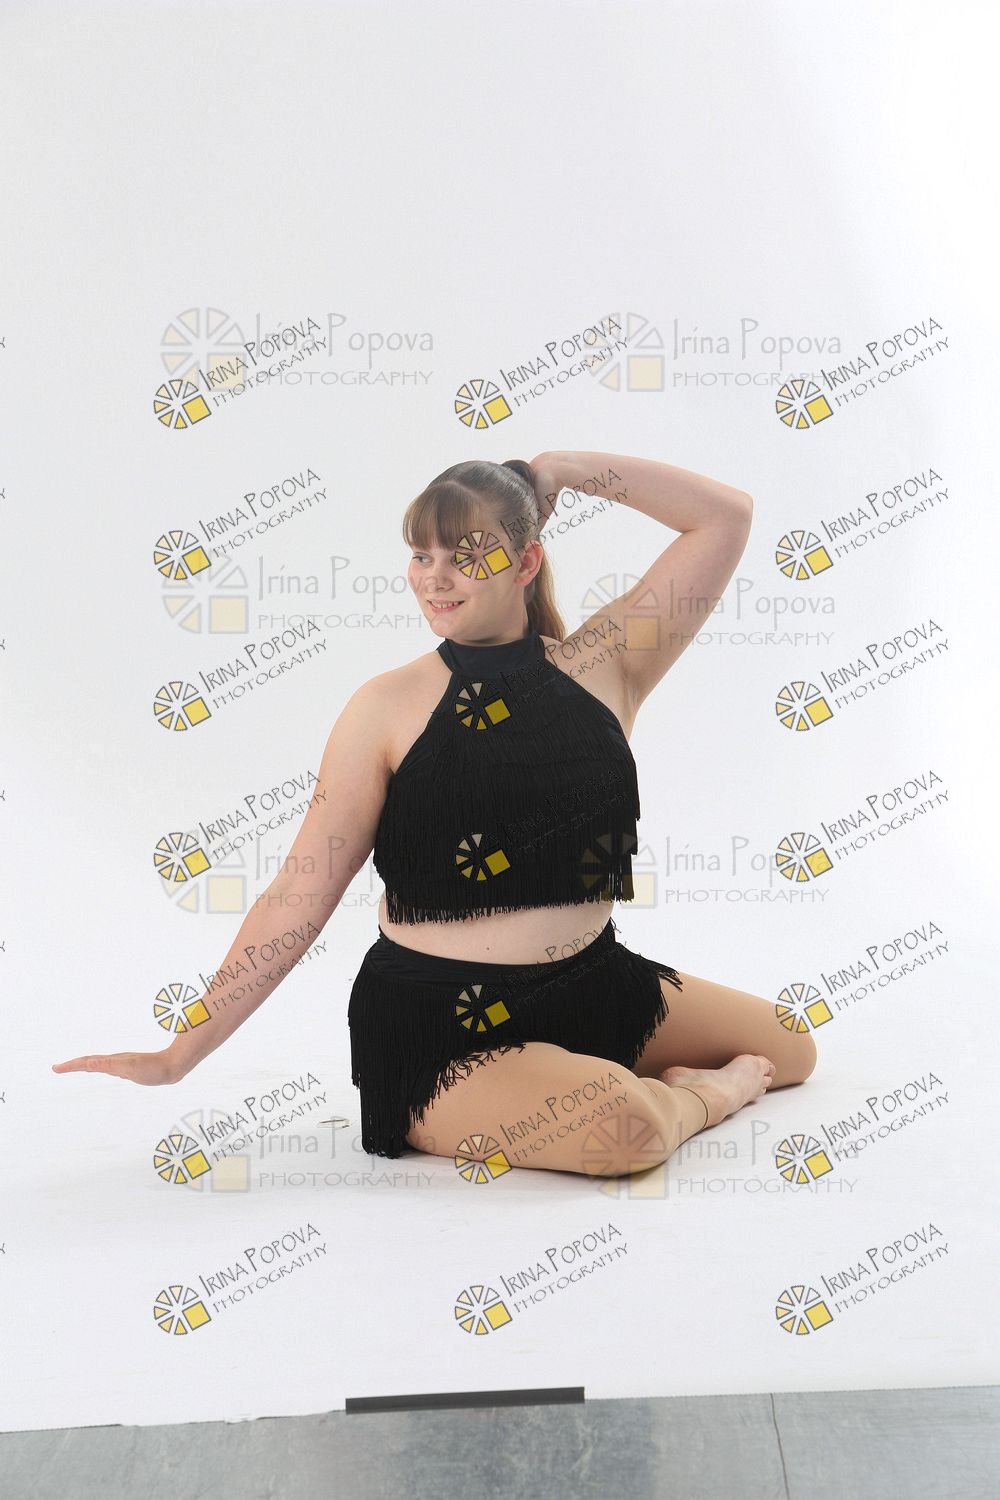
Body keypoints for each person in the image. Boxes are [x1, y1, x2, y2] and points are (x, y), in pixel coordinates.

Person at [54, 451, 817, 1179]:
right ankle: (698, 1098)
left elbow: (725, 517)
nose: (435, 577)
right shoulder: (383, 708)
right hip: (440, 1033)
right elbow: (299, 892)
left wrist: (564, 470)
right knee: (631, 1130)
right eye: (422, 555)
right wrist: (181, 1053)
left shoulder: (605, 664)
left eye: (466, 554)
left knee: (791, 1047)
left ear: (526, 562)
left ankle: (584, 1075)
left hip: (593, 986)